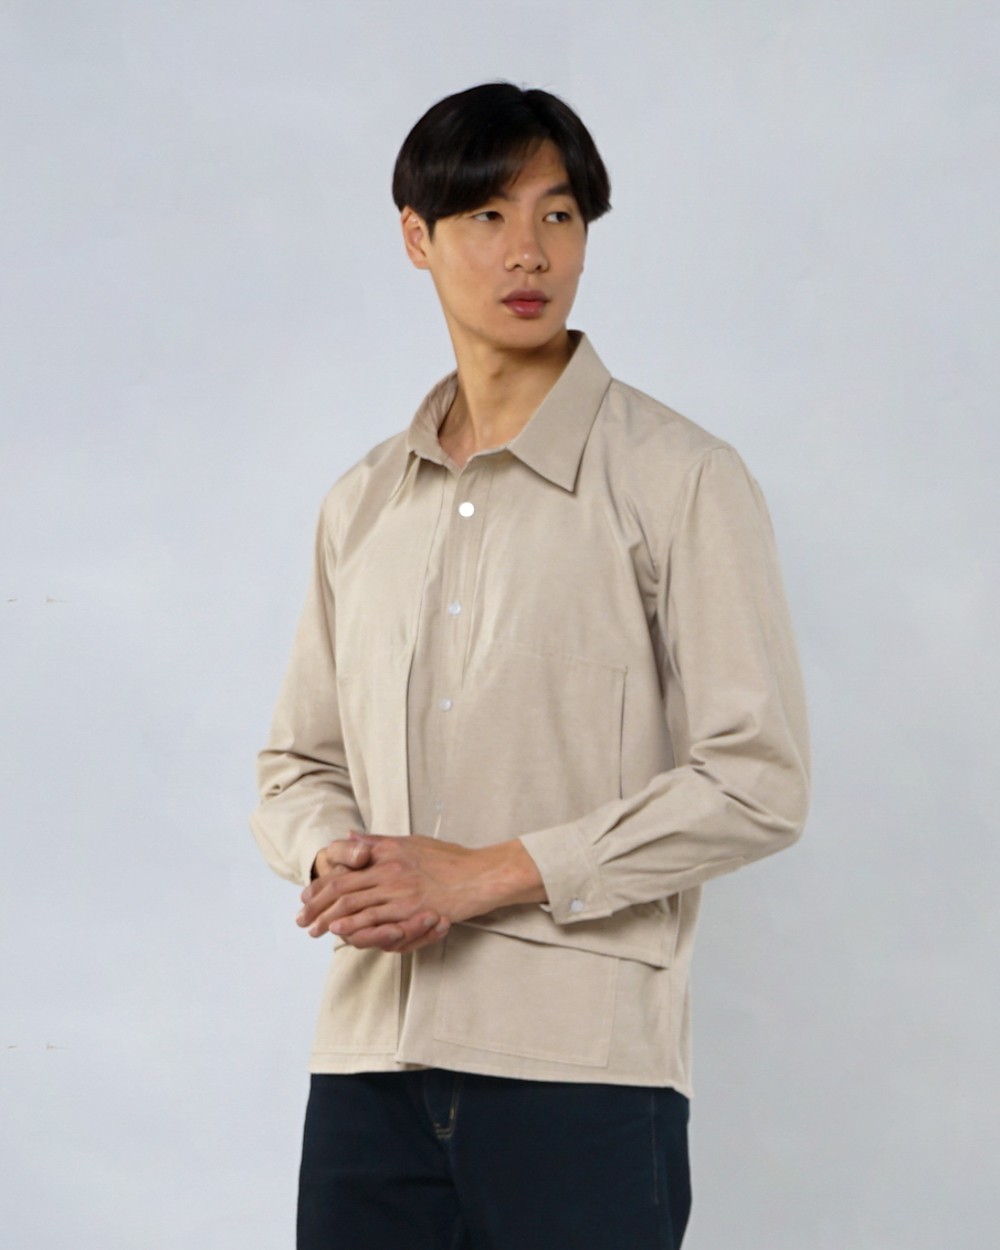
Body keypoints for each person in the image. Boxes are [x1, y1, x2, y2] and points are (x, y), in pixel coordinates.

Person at [251, 80, 810, 1250]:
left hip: (581, 1072)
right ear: (417, 237)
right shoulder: (362, 501)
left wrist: (479, 875)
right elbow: (297, 761)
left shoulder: (679, 478)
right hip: (367, 1069)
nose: (530, 253)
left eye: (558, 215)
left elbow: (756, 780)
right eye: (488, 216)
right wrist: (337, 858)